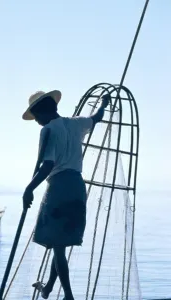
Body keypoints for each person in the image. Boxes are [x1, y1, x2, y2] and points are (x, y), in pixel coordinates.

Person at [22, 90, 110, 300]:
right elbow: (97, 118)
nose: (37, 122)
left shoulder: (48, 130)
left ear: (42, 113)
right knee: (59, 243)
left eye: (36, 118)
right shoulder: (76, 123)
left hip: (59, 187)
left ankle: (68, 295)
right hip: (78, 187)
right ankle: (49, 288)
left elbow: (48, 165)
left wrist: (29, 189)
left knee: (58, 245)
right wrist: (104, 104)